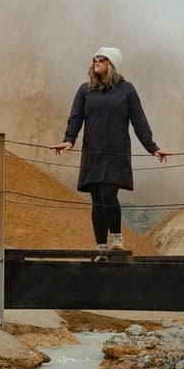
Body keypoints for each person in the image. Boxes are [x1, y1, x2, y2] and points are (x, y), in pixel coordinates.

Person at [53, 46, 168, 252]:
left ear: (112, 64)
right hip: (93, 152)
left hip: (116, 152)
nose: (96, 61)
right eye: (95, 58)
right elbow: (76, 117)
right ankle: (101, 247)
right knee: (97, 198)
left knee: (108, 192)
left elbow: (139, 120)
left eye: (102, 58)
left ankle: (116, 240)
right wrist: (69, 139)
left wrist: (152, 148)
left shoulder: (127, 90)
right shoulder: (84, 90)